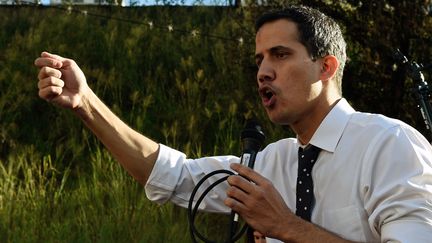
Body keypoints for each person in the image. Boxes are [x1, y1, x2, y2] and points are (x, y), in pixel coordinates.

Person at [35, 5, 432, 243]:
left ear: (326, 66)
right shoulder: (268, 163)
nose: (263, 72)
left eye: (279, 55)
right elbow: (170, 177)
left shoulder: (390, 144)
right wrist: (85, 103)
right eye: (259, 60)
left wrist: (285, 226)